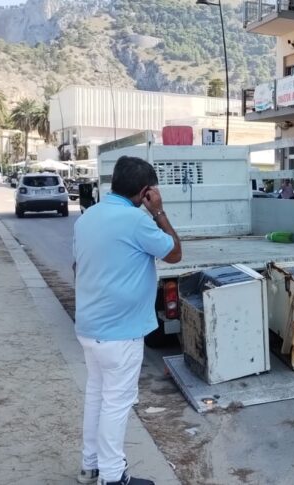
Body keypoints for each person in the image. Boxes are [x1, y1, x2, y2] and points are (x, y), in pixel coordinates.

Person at [72, 156, 182, 485]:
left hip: (90, 327)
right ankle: (112, 476)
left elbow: (77, 267)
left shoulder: (87, 218)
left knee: (97, 396)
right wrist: (159, 212)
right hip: (121, 333)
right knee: (116, 404)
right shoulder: (137, 221)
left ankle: (90, 466)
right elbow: (175, 252)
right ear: (146, 191)